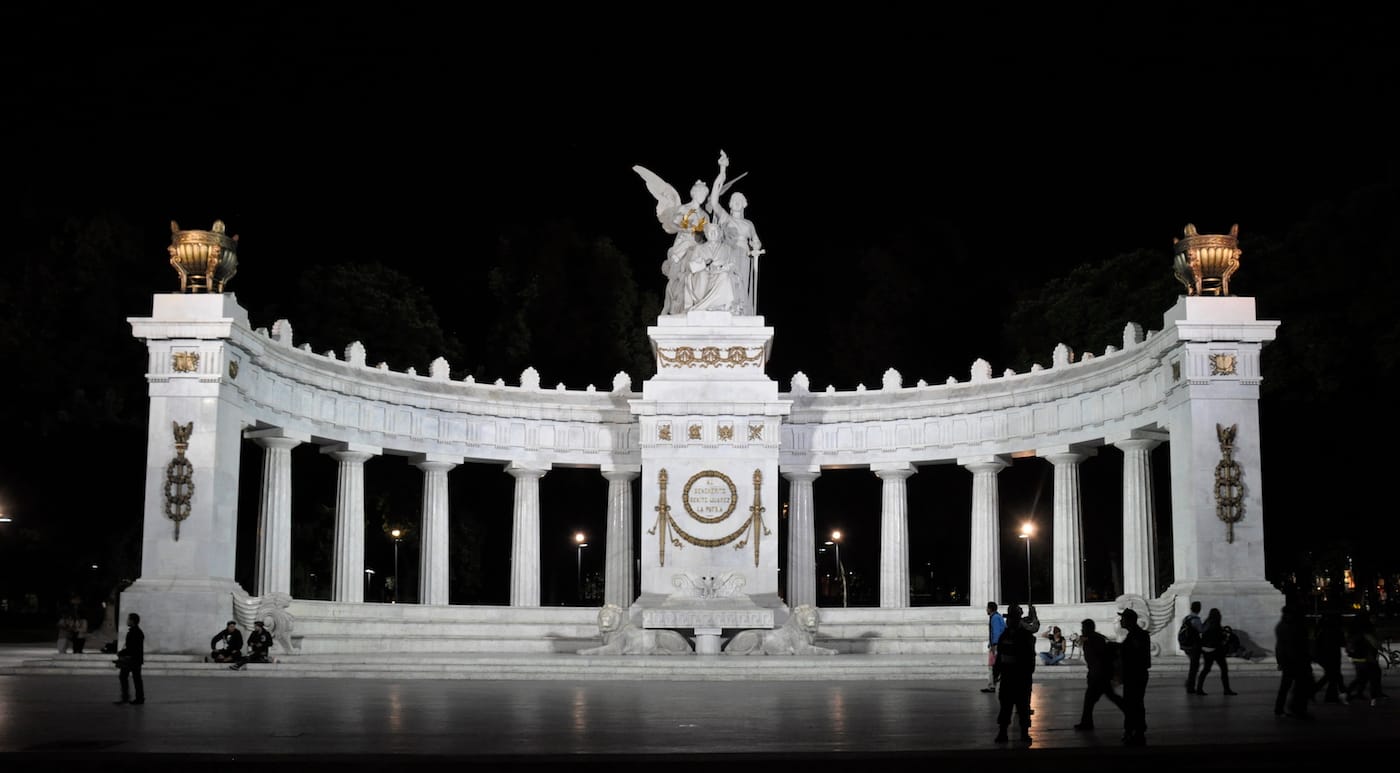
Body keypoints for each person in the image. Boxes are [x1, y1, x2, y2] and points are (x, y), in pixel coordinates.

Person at [993, 604, 1036, 744]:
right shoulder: (1004, 635)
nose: (1009, 621)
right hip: (1007, 677)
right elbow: (999, 656)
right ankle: (1003, 732)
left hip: (1020, 678)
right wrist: (996, 672)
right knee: (1005, 707)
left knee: (1023, 707)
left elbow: (1029, 658)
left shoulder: (1025, 636)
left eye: (1012, 618)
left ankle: (1024, 733)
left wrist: (1027, 674)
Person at [1074, 618, 1124, 731]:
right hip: (1099, 675)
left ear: (1089, 628)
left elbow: (1099, 660)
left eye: (1084, 628)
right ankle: (1086, 722)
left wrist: (1094, 675)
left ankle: (1086, 723)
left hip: (1098, 676)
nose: (1082, 630)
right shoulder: (1095, 639)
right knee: (1110, 697)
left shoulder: (1094, 640)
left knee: (1090, 700)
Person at [1273, 604, 1314, 718]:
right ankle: (1294, 709)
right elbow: (1287, 646)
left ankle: (1283, 708)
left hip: (1292, 661)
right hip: (1294, 661)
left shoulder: (1284, 626)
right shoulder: (1289, 627)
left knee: (1288, 686)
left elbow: (1280, 647)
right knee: (1294, 686)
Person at [1119, 608, 1152, 745]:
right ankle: (1136, 729)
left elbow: (1134, 654)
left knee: (1133, 703)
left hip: (1135, 674)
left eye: (1123, 618)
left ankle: (1134, 730)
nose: (1121, 621)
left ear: (1129, 620)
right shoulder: (1137, 634)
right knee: (1135, 703)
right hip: (1136, 674)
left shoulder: (1137, 635)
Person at [1344, 611, 1389, 705]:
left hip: (1356, 658)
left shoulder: (1354, 629)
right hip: (1367, 658)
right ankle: (1374, 697)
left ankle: (1349, 694)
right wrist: (1379, 643)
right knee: (1374, 676)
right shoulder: (1365, 630)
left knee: (1362, 678)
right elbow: (1375, 644)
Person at [1195, 607, 1238, 696]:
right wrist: (1224, 639)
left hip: (1206, 650)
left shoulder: (1207, 622)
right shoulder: (1216, 625)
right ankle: (1226, 689)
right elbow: (1217, 638)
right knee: (1224, 669)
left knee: (1206, 669)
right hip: (1216, 650)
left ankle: (1199, 688)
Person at [1311, 611, 1347, 704]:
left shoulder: (1322, 629)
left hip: (1324, 656)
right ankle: (1315, 692)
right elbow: (1342, 642)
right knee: (1332, 675)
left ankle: (1331, 696)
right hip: (1332, 656)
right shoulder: (1335, 629)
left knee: (1332, 676)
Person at [114, 612, 144, 705]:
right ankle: (139, 698)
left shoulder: (134, 632)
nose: (127, 621)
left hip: (132, 660)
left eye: (128, 619)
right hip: (135, 659)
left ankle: (128, 698)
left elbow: (131, 648)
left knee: (125, 677)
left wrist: (121, 652)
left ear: (132, 621)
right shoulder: (137, 631)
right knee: (136, 679)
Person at [981, 601, 1006, 693]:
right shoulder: (997, 617)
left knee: (992, 666)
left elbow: (996, 632)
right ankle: (993, 685)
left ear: (990, 609)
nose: (986, 610)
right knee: (997, 666)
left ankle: (992, 686)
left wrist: (994, 645)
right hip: (998, 644)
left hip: (996, 645)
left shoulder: (995, 618)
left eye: (987, 608)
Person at [1180, 600, 1204, 693]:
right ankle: (1190, 685)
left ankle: (1189, 683)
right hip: (1194, 646)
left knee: (1194, 665)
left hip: (1186, 645)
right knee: (1194, 666)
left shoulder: (1187, 618)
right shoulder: (1196, 620)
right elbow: (1201, 630)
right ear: (1199, 609)